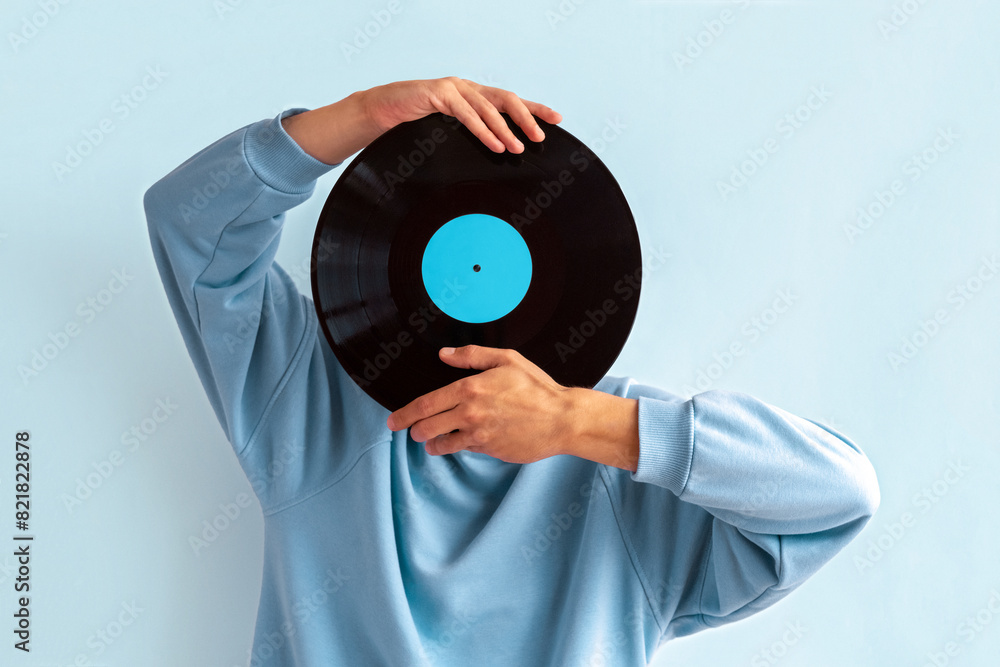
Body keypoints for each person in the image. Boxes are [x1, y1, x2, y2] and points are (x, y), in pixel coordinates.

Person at [144, 77, 880, 666]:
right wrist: (358, 117)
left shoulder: (619, 456)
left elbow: (837, 494)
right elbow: (189, 219)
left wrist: (575, 422)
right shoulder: (311, 397)